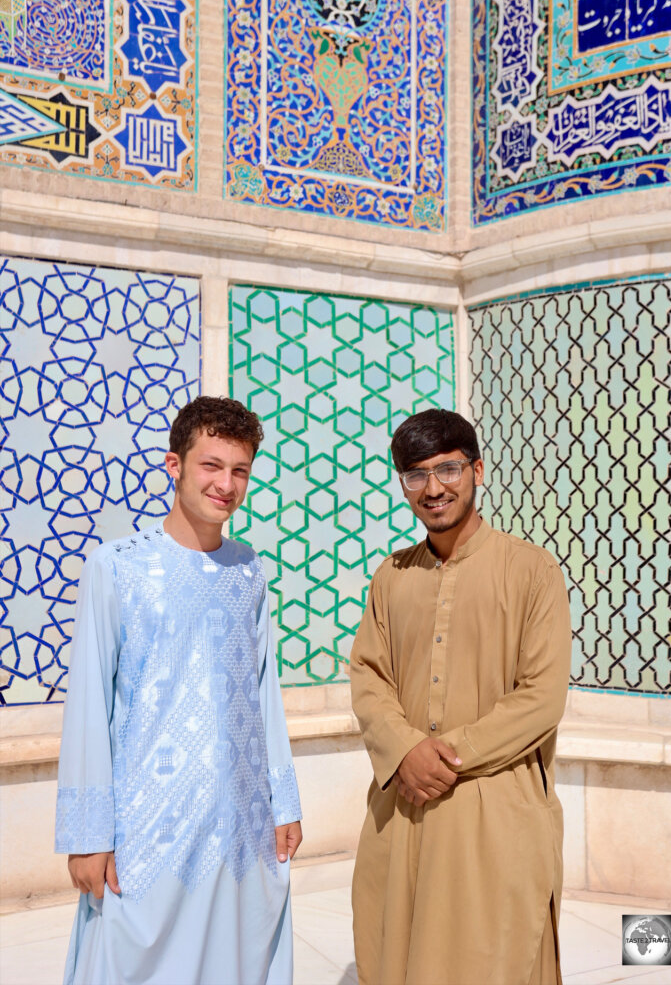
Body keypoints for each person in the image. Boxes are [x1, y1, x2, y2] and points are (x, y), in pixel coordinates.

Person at [55, 396, 302, 985]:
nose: (226, 484)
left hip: (240, 820)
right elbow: (90, 699)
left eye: (239, 470)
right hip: (149, 822)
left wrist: (283, 802)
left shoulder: (250, 572)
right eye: (211, 466)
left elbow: (263, 693)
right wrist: (89, 834)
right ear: (175, 465)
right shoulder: (118, 566)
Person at [350, 408, 571, 985]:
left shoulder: (532, 572)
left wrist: (441, 755)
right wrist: (404, 751)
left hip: (492, 808)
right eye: (416, 475)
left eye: (448, 469)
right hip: (403, 807)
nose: (434, 488)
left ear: (477, 470)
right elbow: (369, 676)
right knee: (396, 953)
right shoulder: (392, 576)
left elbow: (541, 697)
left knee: (492, 958)